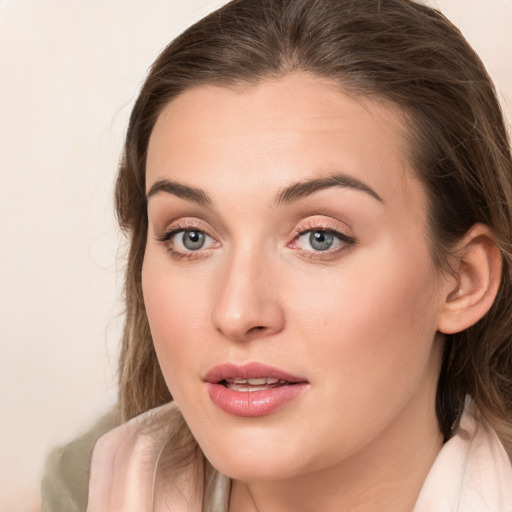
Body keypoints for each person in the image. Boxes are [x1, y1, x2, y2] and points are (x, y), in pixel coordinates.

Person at [41, 0, 512, 510]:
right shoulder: (85, 486)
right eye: (191, 237)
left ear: (464, 280)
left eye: (320, 238)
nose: (238, 313)